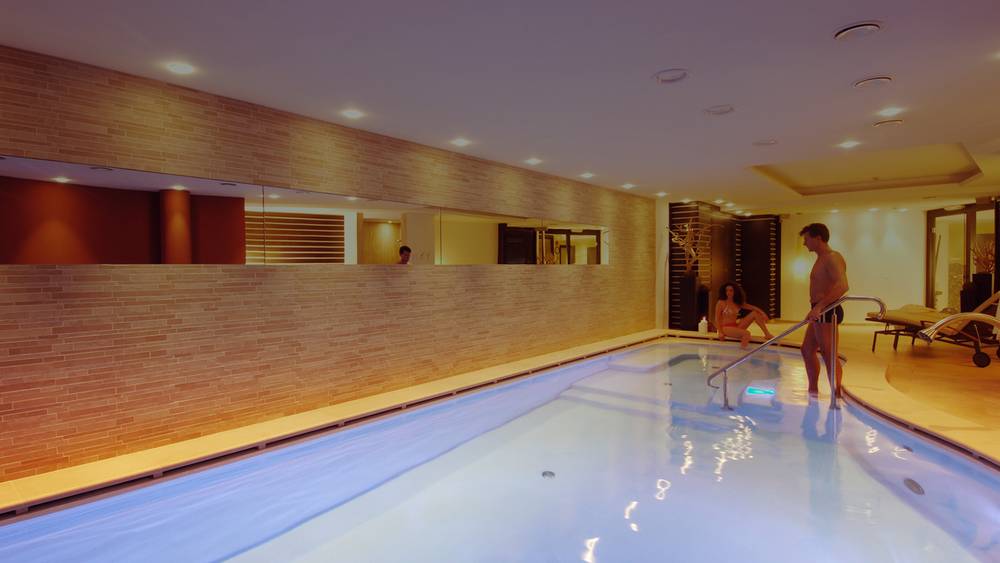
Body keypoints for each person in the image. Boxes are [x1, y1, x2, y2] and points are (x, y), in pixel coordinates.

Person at [799, 223, 849, 397]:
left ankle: (837, 395)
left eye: (807, 239)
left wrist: (819, 307)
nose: (804, 243)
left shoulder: (832, 257)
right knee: (807, 350)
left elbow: (843, 286)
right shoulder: (821, 258)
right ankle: (813, 391)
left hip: (827, 310)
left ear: (818, 238)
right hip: (820, 310)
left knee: (829, 355)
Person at [715, 282, 775, 348]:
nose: (728, 292)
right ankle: (742, 352)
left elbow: (753, 308)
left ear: (735, 292)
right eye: (726, 290)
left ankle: (767, 334)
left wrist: (763, 314)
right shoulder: (721, 302)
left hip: (735, 326)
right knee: (746, 333)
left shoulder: (737, 303)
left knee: (755, 313)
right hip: (726, 328)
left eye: (731, 290)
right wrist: (720, 332)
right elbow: (717, 319)